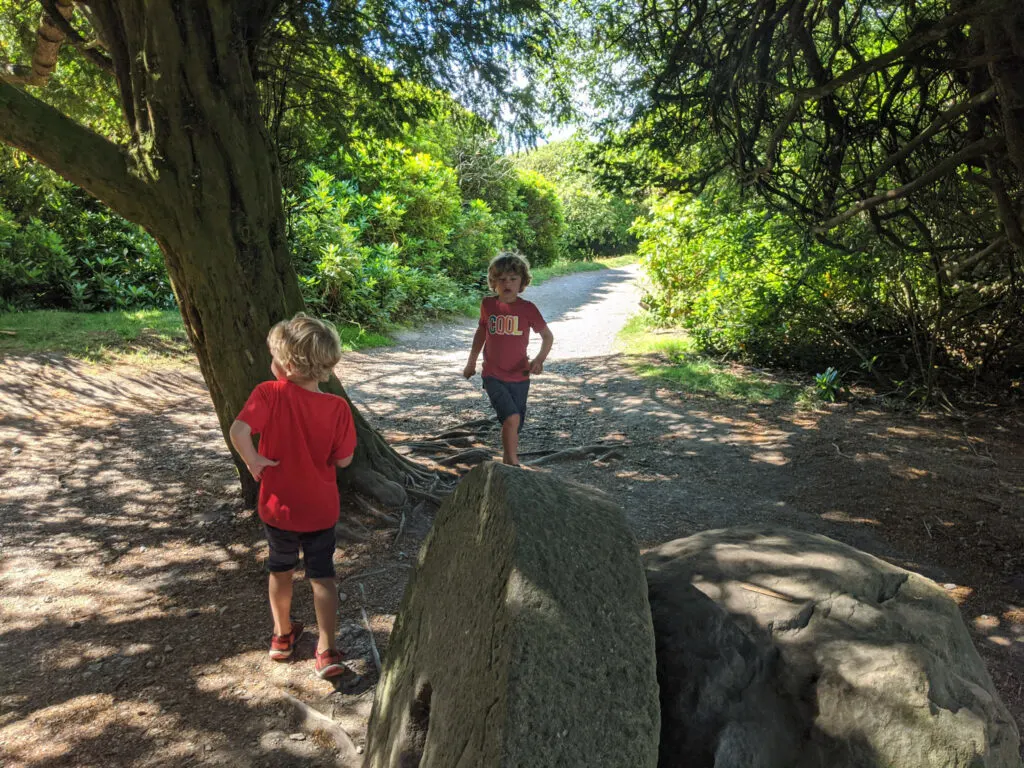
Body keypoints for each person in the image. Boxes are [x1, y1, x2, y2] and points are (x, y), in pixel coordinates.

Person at [229, 312, 356, 679]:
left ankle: (282, 637)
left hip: (278, 507)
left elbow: (239, 431)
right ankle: (327, 649)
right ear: (324, 366)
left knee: (280, 569)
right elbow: (345, 460)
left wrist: (253, 461)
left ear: (284, 364)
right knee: (323, 576)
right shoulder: (337, 408)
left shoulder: (267, 393)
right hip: (320, 509)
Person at [463, 250, 554, 465]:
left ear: (522, 282)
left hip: (520, 376)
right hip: (493, 375)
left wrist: (539, 360)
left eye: (513, 279)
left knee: (515, 422)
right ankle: (512, 464)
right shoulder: (488, 305)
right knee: (512, 418)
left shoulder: (528, 309)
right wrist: (471, 362)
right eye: (501, 279)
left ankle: (507, 462)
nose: (507, 284)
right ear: (493, 282)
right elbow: (481, 333)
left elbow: (547, 337)